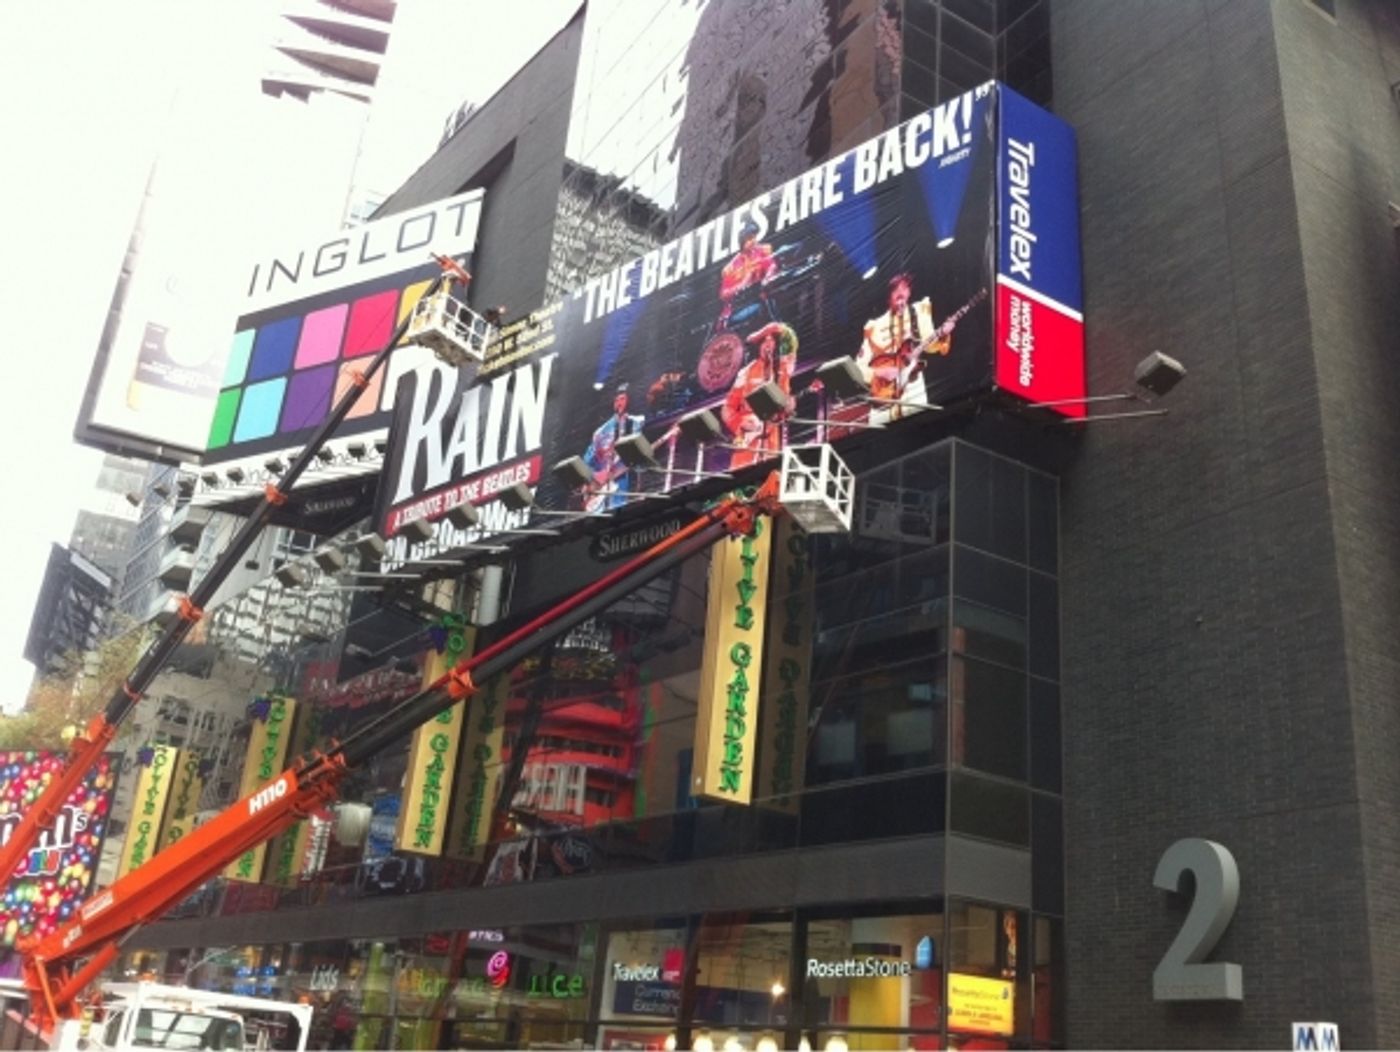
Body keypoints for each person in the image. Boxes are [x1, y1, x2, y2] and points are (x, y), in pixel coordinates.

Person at [855, 272, 944, 418]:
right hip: (882, 400)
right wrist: (879, 373)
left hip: (914, 392)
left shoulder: (918, 312)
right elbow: (859, 368)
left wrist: (944, 334)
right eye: (896, 289)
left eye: (904, 288)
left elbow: (931, 346)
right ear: (889, 296)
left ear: (909, 292)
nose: (900, 293)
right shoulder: (874, 327)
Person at [722, 321, 797, 468]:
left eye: (772, 341)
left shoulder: (783, 366)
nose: (767, 345)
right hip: (745, 440)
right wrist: (739, 424)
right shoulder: (746, 372)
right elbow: (727, 407)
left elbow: (791, 339)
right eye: (764, 341)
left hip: (770, 437)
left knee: (767, 482)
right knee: (737, 485)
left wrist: (763, 331)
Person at [581, 384, 646, 510]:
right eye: (616, 400)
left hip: (624, 482)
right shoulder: (601, 432)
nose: (619, 403)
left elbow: (640, 454)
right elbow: (587, 462)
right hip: (602, 490)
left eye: (622, 399)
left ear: (629, 400)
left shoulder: (636, 422)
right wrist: (594, 478)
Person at [717, 220, 778, 329]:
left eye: (754, 237)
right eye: (749, 239)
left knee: (769, 300)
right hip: (738, 309)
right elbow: (723, 294)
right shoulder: (730, 268)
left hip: (763, 297)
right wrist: (742, 284)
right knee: (762, 306)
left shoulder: (762, 250)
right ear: (742, 242)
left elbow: (772, 265)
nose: (753, 241)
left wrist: (767, 278)